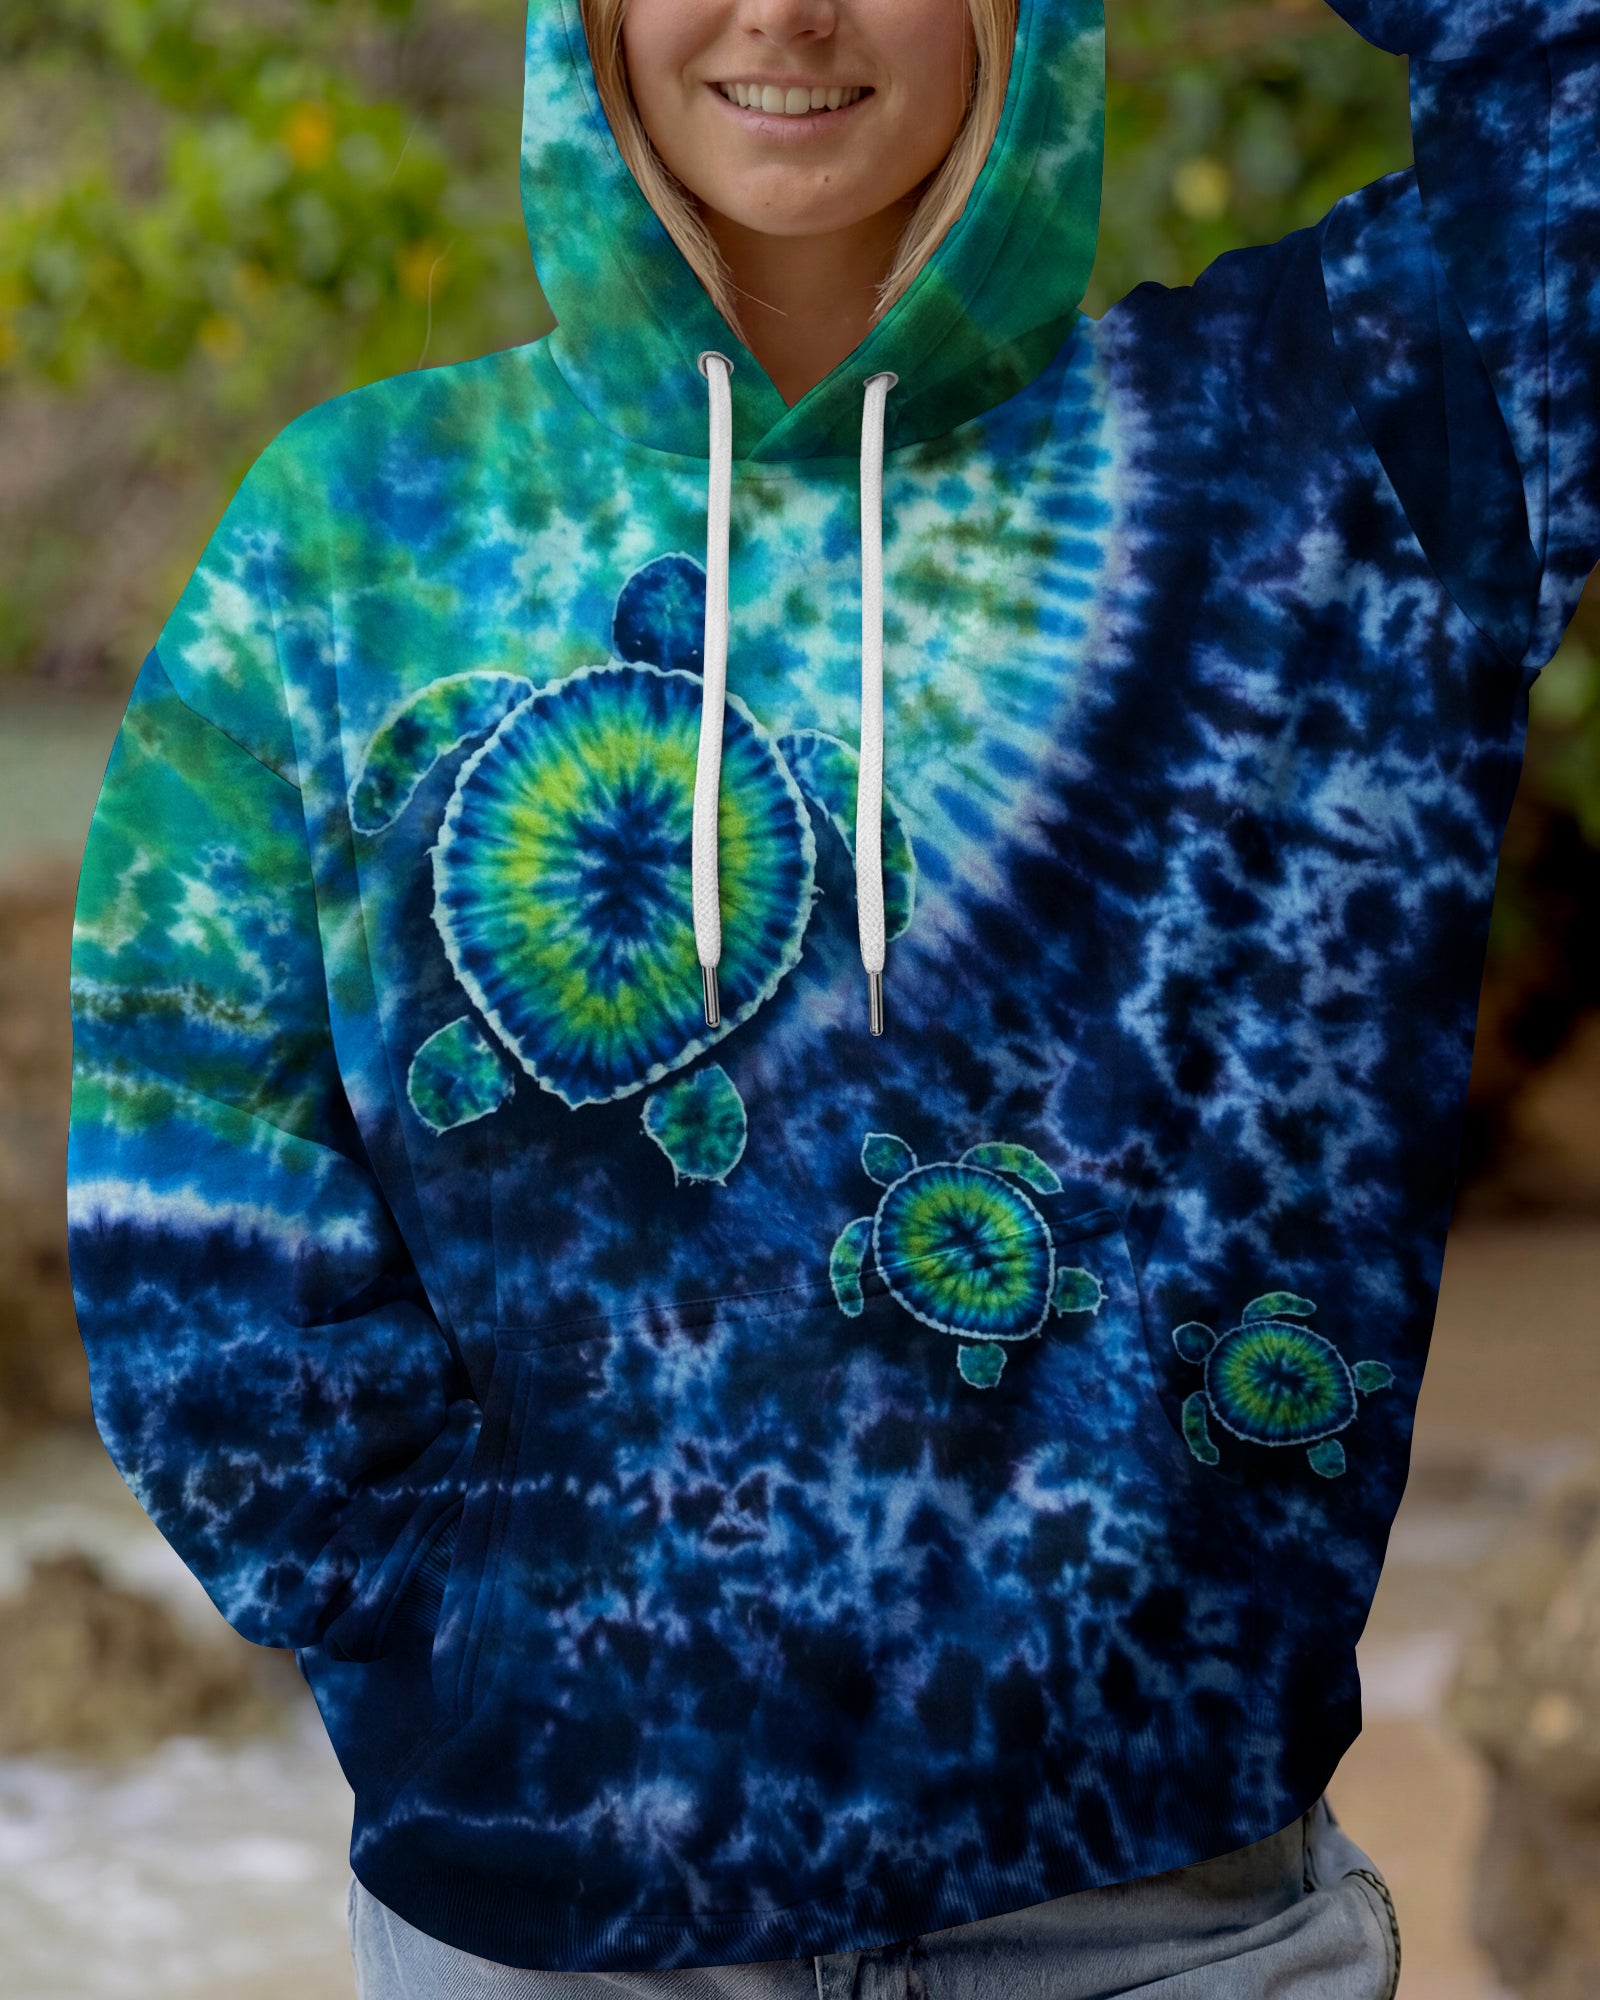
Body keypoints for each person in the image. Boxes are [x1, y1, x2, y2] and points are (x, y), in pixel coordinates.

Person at [64, 0, 1596, 1992]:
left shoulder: (1309, 458)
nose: (782, 12)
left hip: (1161, 1913)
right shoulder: (357, 532)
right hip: (554, 1920)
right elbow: (189, 1201)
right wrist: (482, 1652)